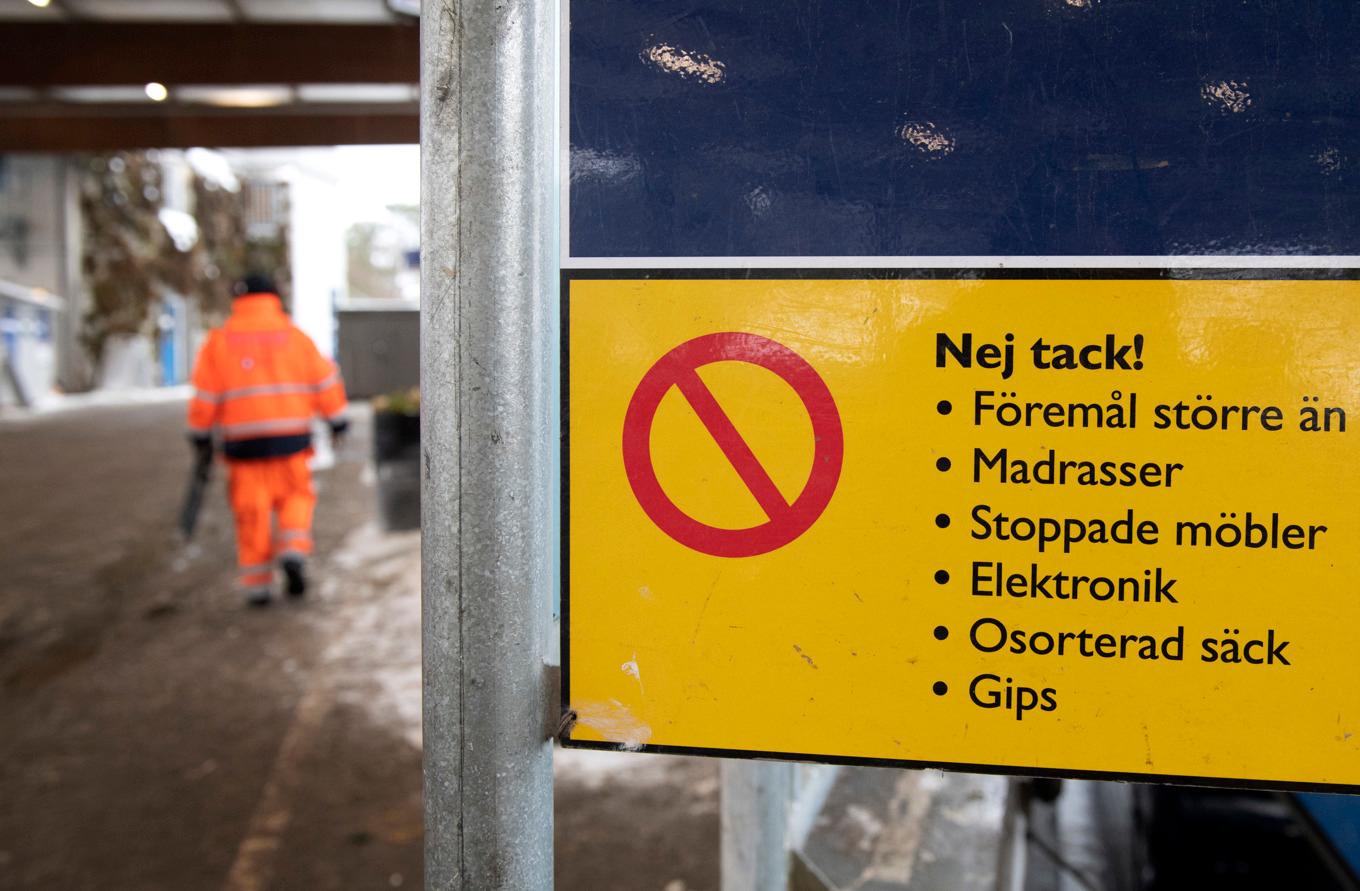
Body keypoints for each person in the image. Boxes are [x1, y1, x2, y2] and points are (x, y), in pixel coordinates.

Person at [186, 273, 348, 607]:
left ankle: (258, 585)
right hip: (291, 442)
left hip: (244, 446)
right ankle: (293, 550)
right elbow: (324, 382)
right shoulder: (295, 337)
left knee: (251, 512)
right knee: (296, 498)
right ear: (274, 296)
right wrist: (337, 421)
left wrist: (200, 435)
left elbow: (204, 396)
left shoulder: (220, 340)